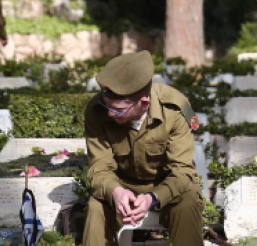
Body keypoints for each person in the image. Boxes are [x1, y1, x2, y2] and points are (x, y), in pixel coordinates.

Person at [83, 51, 202, 246]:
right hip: (122, 184)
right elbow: (100, 168)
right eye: (108, 107)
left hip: (167, 184)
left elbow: (182, 172)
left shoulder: (175, 109)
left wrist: (153, 198)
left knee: (188, 203)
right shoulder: (96, 110)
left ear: (144, 102)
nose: (110, 115)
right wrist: (116, 192)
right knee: (96, 207)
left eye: (118, 110)